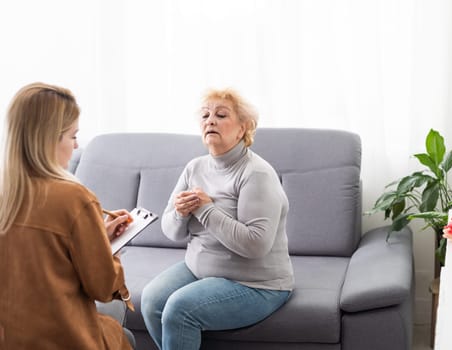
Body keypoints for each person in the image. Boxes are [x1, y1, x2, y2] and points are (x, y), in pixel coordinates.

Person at [141, 88, 294, 349]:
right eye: (205, 115)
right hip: (198, 270)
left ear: (243, 128)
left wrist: (205, 209)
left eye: (221, 115)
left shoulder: (256, 174)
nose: (210, 120)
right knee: (151, 300)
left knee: (180, 309)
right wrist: (179, 213)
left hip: (256, 284)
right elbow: (172, 231)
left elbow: (256, 245)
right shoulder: (195, 167)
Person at [0, 82, 135, 350]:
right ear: (49, 138)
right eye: (73, 136)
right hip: (64, 338)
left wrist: (97, 236)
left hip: (13, 338)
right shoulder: (75, 199)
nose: (75, 146)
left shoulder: (7, 196)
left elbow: (37, 260)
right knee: (123, 333)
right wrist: (110, 249)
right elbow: (103, 286)